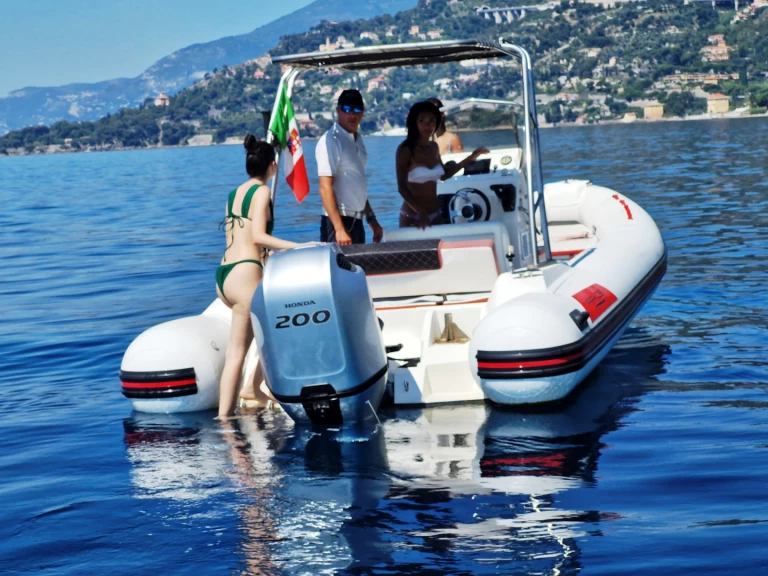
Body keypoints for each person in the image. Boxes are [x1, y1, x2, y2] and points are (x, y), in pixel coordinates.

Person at [216, 136, 302, 417]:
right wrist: (301, 247)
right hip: (245, 275)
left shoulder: (233, 194)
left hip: (225, 275)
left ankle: (254, 387)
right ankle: (225, 419)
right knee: (237, 354)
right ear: (272, 165)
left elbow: (239, 237)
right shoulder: (263, 192)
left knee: (268, 331)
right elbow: (258, 237)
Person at [396, 101, 488, 228]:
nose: (427, 125)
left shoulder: (433, 147)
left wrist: (471, 157)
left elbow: (445, 174)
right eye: (422, 121)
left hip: (435, 214)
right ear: (414, 123)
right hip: (412, 216)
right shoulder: (405, 149)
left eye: (432, 121)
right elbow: (402, 188)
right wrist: (420, 211)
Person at [316, 89, 383, 245]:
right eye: (347, 110)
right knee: (341, 269)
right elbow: (325, 187)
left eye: (357, 110)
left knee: (359, 269)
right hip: (337, 222)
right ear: (338, 110)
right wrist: (339, 228)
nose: (352, 115)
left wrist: (371, 219)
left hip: (357, 221)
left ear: (363, 112)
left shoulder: (357, 140)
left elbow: (356, 184)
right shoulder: (331, 140)